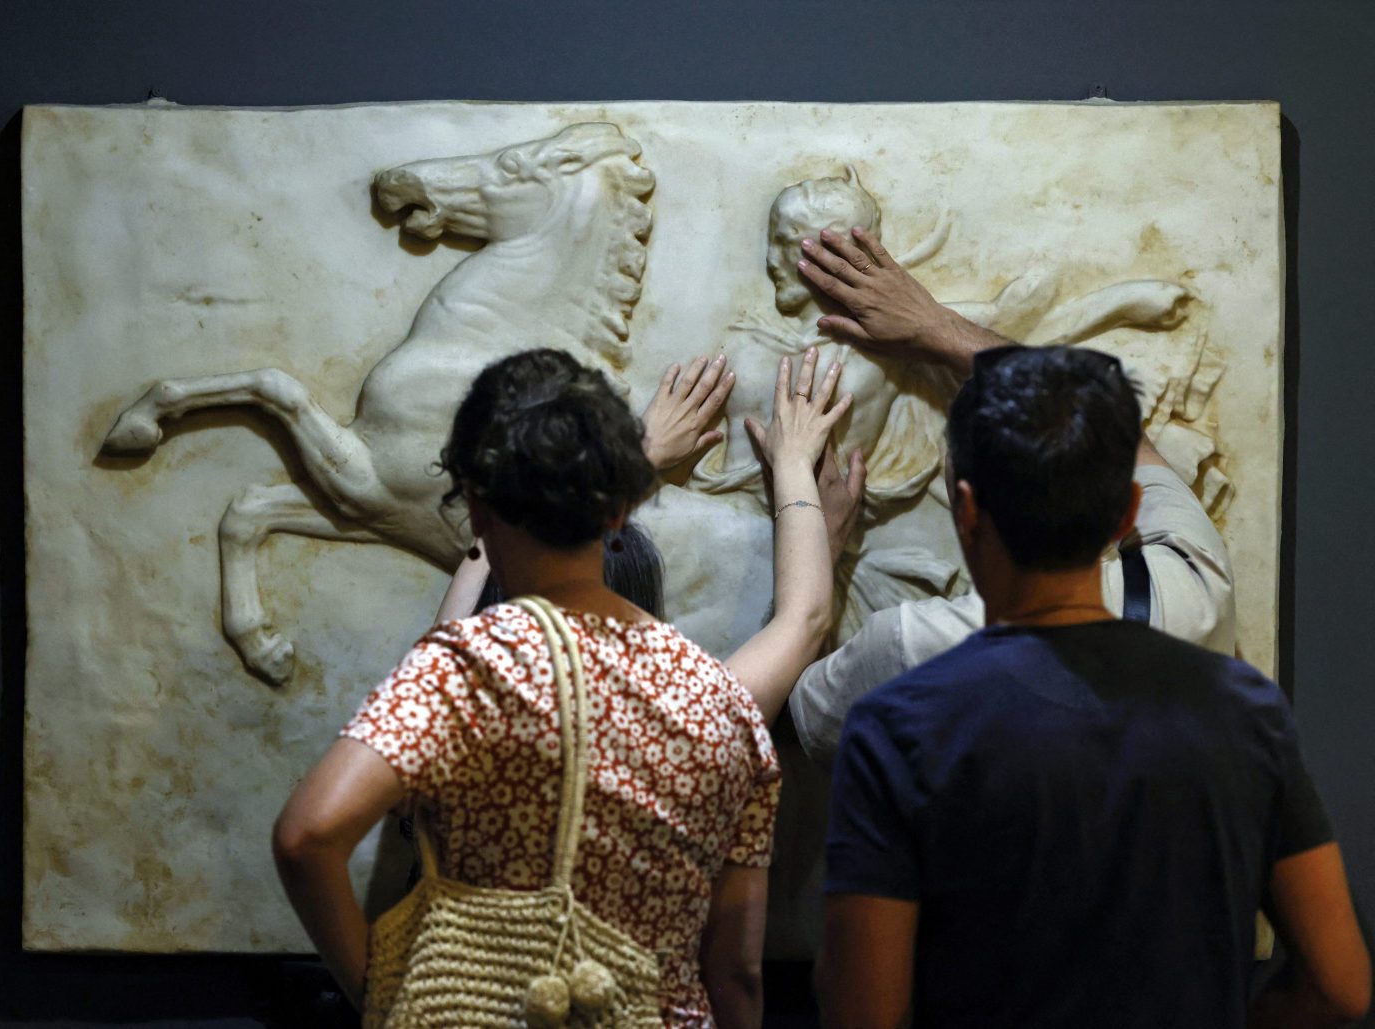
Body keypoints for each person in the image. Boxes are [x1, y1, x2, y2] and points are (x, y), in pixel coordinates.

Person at [272, 344, 852, 1028]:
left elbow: (306, 836)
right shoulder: (720, 700)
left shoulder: (469, 669)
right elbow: (736, 973)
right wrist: (792, 466)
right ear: (617, 513)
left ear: (478, 511)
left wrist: (381, 994)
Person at [816, 342, 1370, 1027]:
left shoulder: (897, 726)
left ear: (965, 510)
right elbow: (1342, 985)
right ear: (1129, 513)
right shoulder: (1247, 710)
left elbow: (862, 1013)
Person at [789, 228, 1236, 768]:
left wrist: (814, 539)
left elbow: (775, 719)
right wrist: (941, 327)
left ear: (967, 513)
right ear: (1127, 511)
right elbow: (1124, 436)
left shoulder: (915, 649)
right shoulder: (1192, 591)